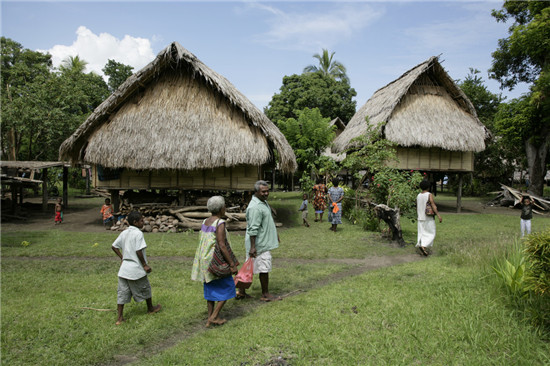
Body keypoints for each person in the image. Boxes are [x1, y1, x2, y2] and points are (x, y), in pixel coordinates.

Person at [191, 196, 238, 327]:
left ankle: (209, 319)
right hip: (214, 259)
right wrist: (232, 264)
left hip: (204, 258)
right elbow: (222, 244)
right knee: (229, 286)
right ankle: (214, 316)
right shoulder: (220, 223)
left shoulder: (206, 221)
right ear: (221, 208)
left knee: (210, 287)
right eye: (224, 207)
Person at [111, 211, 161, 325]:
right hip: (136, 269)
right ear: (135, 222)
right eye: (141, 221)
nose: (143, 222)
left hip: (124, 269)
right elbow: (138, 250)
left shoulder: (124, 232)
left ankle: (119, 318)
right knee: (146, 288)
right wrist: (144, 265)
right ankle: (150, 308)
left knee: (122, 293)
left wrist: (122, 258)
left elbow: (114, 246)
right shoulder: (138, 234)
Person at [237, 180, 281, 302]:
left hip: (261, 242)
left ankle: (241, 292)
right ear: (256, 192)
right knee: (264, 268)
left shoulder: (261, 202)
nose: (266, 194)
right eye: (263, 192)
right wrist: (253, 247)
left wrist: (270, 209)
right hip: (259, 244)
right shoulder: (255, 207)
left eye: (267, 191)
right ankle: (265, 294)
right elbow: (253, 229)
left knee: (248, 268)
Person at [416, 180, 442, 256]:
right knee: (431, 232)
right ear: (428, 187)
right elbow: (433, 205)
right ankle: (423, 246)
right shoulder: (429, 194)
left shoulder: (418, 195)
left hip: (420, 217)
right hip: (428, 217)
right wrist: (438, 215)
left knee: (422, 232)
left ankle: (422, 247)